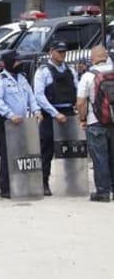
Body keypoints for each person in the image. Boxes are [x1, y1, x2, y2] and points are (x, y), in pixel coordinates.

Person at [0, 50, 42, 199]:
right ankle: (5, 188)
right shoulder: (0, 79)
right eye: (17, 61)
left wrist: (36, 110)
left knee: (22, 154)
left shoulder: (22, 79)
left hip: (23, 123)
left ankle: (21, 184)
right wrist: (10, 115)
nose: (20, 64)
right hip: (6, 123)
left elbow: (30, 96)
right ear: (9, 63)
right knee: (7, 156)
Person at [33, 40, 78, 196]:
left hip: (68, 113)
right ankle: (43, 182)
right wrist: (54, 113)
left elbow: (76, 89)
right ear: (51, 51)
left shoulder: (70, 70)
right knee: (46, 150)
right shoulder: (43, 71)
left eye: (64, 52)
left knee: (72, 149)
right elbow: (39, 95)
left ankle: (72, 181)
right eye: (59, 52)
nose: (62, 54)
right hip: (50, 115)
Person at [77, 44, 114, 201]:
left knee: (100, 158)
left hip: (96, 123)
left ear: (92, 59)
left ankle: (103, 192)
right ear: (106, 56)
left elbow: (80, 102)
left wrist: (83, 119)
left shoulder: (88, 76)